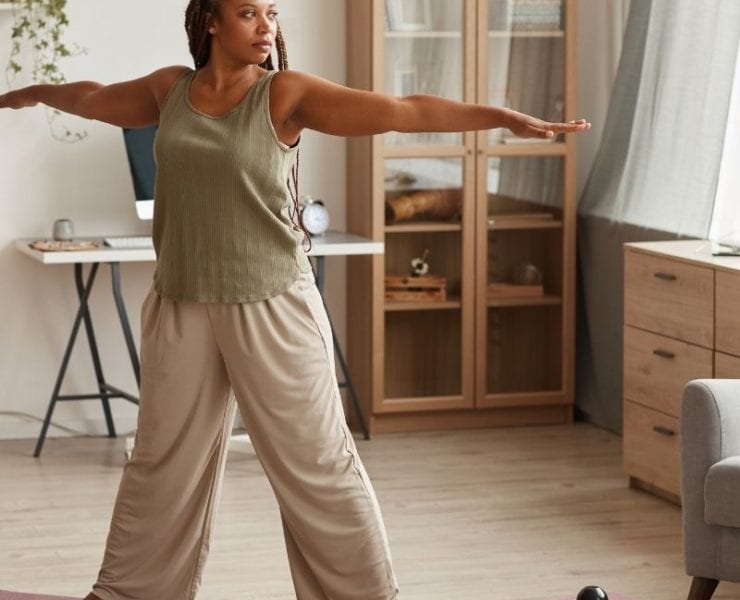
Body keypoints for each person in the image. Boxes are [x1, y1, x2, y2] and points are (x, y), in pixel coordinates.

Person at [0, 1, 591, 598]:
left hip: (272, 302)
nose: (266, 27)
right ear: (211, 21)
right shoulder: (168, 90)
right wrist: (28, 92)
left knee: (317, 468)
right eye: (248, 13)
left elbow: (401, 110)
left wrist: (502, 117)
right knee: (160, 467)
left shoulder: (284, 94)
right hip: (181, 302)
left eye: (272, 14)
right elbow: (93, 97)